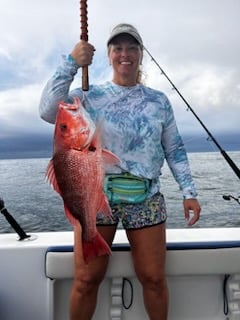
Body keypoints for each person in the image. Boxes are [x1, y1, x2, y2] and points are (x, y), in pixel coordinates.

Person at [39, 23, 201, 320]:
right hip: (95, 193)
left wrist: (189, 192)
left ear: (141, 54)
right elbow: (48, 111)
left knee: (153, 279)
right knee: (86, 280)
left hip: (146, 197)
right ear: (109, 55)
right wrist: (71, 62)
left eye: (131, 48)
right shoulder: (88, 96)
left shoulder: (159, 101)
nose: (124, 54)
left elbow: (174, 149)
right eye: (118, 48)